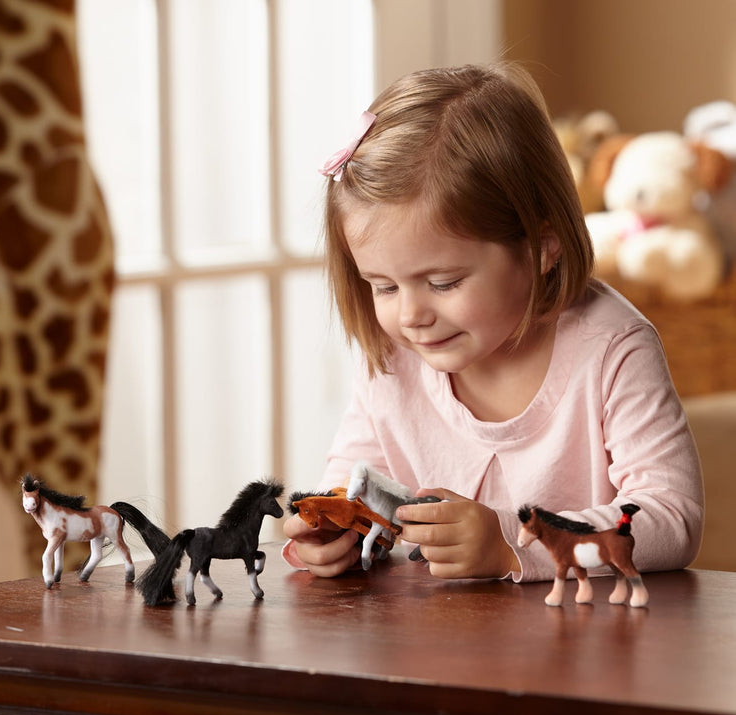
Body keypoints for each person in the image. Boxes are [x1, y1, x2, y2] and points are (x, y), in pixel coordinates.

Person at [282, 62, 704, 582]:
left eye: (443, 283)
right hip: (433, 651)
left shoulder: (611, 349)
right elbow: (355, 487)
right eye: (384, 286)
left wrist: (513, 543)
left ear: (541, 247)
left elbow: (670, 516)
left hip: (584, 650)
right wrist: (331, 535)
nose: (411, 315)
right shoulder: (393, 357)